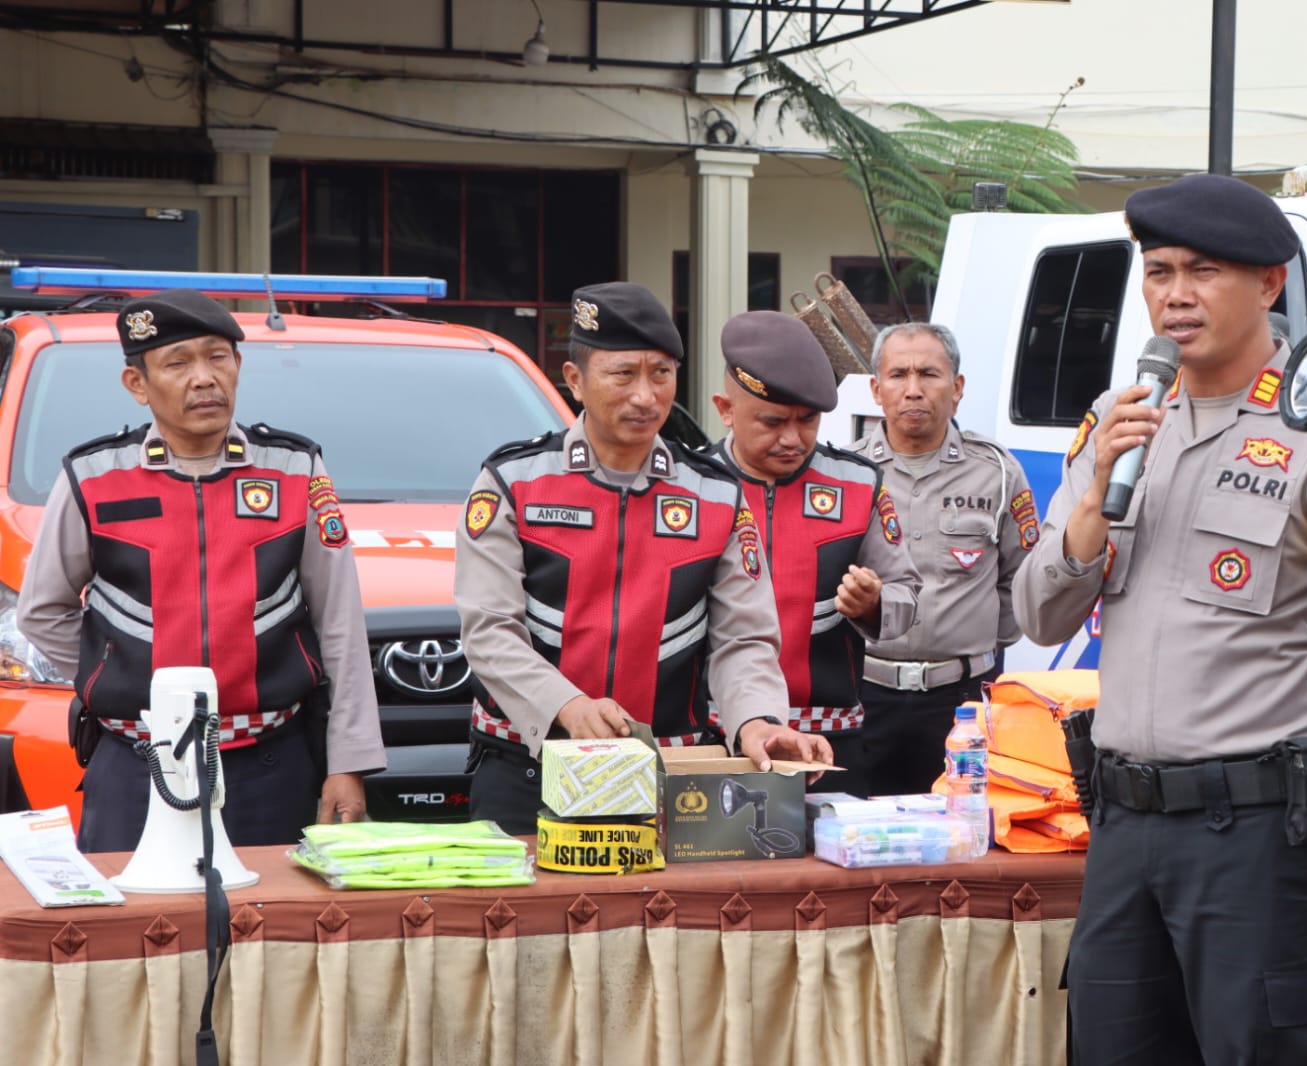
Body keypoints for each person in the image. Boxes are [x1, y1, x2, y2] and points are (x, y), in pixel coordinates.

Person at [1012, 174, 1307, 1064]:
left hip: (1253, 832)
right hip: (1125, 824)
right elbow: (1038, 606)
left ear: (1269, 286)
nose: (1174, 295)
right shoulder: (1116, 417)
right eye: (1158, 270)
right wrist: (1095, 495)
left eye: (1202, 272)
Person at [455, 283, 831, 834]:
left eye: (661, 373)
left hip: (671, 774)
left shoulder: (717, 495)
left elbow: (743, 639)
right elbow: (488, 629)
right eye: (623, 374)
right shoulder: (514, 482)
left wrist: (757, 722)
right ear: (576, 380)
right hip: (528, 768)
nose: (646, 396)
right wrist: (566, 706)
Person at [18, 288, 384, 851]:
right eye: (178, 363)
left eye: (218, 357)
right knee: (136, 933)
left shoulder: (294, 468)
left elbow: (339, 621)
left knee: (268, 926)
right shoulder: (93, 476)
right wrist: (114, 674)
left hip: (269, 762)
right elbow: (43, 611)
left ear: (239, 366)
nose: (204, 378)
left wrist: (349, 761)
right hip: (135, 762)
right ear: (137, 385)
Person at [704, 310, 921, 795]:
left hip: (831, 742)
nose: (792, 438)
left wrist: (876, 604)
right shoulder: (692, 488)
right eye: (773, 421)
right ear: (725, 409)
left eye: (807, 421)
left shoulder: (858, 484)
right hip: (714, 739)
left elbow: (907, 595)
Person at [848, 323, 1037, 797]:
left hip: (963, 705)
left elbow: (1021, 578)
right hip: (865, 700)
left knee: (961, 846)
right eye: (898, 375)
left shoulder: (996, 471)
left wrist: (972, 647)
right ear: (876, 389)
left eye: (929, 374)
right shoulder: (847, 475)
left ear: (956, 388)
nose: (913, 390)